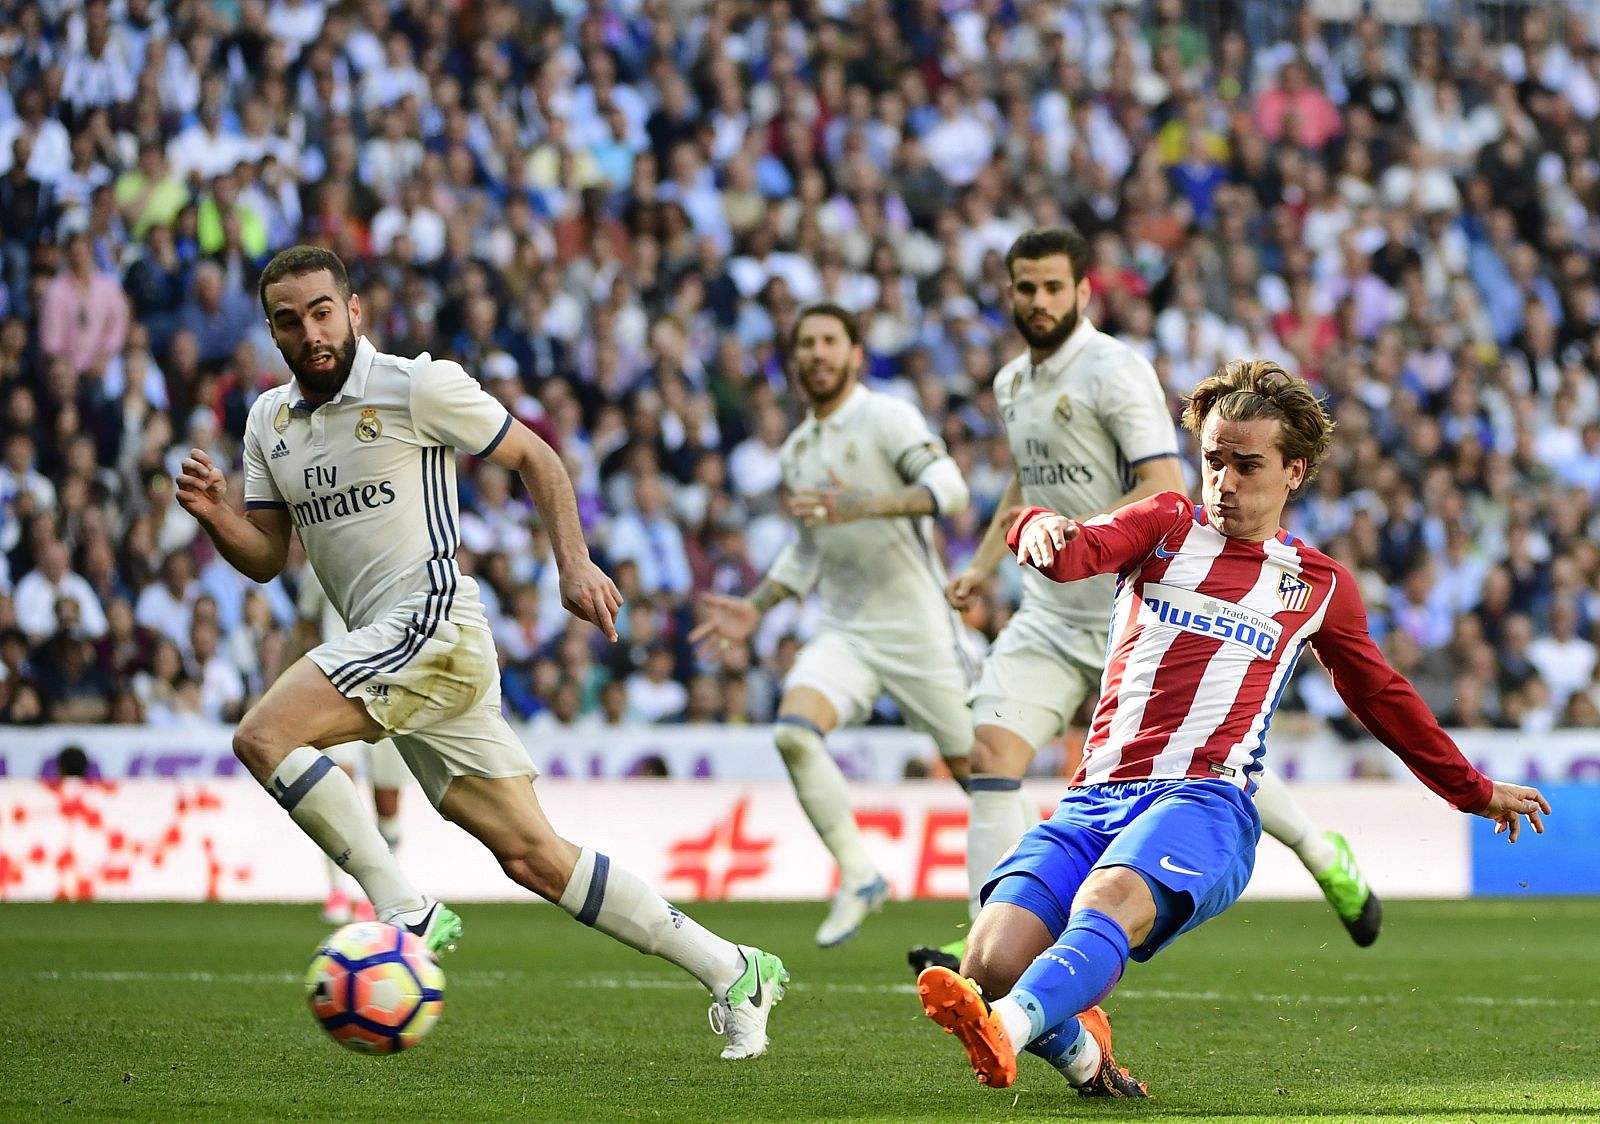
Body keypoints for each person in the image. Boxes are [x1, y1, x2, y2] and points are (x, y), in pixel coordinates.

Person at [176, 245, 787, 1061]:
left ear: (353, 311)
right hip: (400, 649)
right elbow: (264, 557)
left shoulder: (414, 385)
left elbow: (537, 456)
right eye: (289, 320)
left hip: (431, 619)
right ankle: (735, 969)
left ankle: (402, 906)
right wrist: (218, 515)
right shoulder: (268, 423)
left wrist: (572, 562)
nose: (310, 331)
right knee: (534, 858)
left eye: (323, 311)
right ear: (273, 331)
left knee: (261, 736)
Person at [917, 358, 1550, 1096]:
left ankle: (1012, 1027)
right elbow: (1073, 553)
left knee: (1106, 904)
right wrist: (1037, 526)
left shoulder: (1318, 585)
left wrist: (1472, 791)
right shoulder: (1163, 526)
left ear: (1294, 472)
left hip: (1204, 804)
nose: (1224, 481)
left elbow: (1382, 695)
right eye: (1213, 460)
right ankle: (1087, 1059)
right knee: (989, 962)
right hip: (1097, 796)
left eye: (1247, 465)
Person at [910, 228, 1379, 977]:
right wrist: (987, 558)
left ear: (1082, 292)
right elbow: (1028, 480)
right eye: (1024, 288)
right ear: (1009, 293)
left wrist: (1088, 539)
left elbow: (1166, 484)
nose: (1038, 301)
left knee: (1198, 759)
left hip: (1137, 602)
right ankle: (989, 945)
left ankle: (1323, 852)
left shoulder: (1113, 371)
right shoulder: (1010, 384)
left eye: (1052, 287)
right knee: (988, 754)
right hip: (1048, 606)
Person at [688, 303, 976, 947]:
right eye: (806, 344)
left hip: (918, 628)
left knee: (981, 775)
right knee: (793, 734)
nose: (817, 353)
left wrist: (867, 504)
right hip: (846, 631)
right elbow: (810, 547)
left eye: (829, 341)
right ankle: (860, 874)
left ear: (854, 352)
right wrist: (756, 605)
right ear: (795, 363)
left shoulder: (886, 416)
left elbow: (950, 489)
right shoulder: (797, 452)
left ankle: (1010, 918)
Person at [292, 564, 409, 925]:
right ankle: (338, 889)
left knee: (387, 801)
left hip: (394, 690)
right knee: (337, 784)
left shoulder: (403, 559)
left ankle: (382, 894)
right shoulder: (320, 562)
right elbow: (306, 625)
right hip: (339, 690)